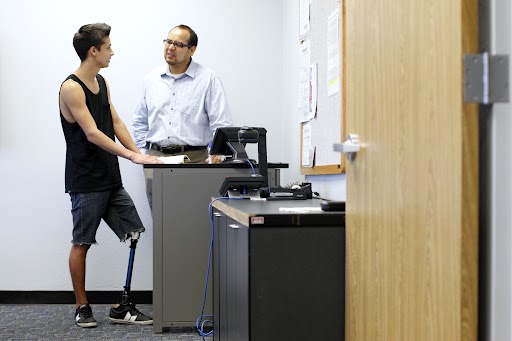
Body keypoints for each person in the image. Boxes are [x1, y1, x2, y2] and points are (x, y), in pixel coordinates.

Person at [59, 23, 162, 328]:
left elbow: (115, 121)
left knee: (133, 231)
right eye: (108, 47)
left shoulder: (101, 81)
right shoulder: (71, 87)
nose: (112, 52)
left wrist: (139, 154)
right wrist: (131, 155)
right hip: (86, 180)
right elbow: (91, 133)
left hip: (109, 177)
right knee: (82, 242)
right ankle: (82, 306)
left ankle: (123, 307)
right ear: (94, 51)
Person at [132, 24, 233, 207]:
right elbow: (139, 121)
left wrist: (216, 153)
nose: (170, 48)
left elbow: (221, 123)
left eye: (178, 44)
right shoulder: (151, 80)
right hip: (157, 159)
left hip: (195, 159)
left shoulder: (208, 79)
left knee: (194, 217)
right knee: (161, 219)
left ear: (192, 50)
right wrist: (144, 153)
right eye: (168, 42)